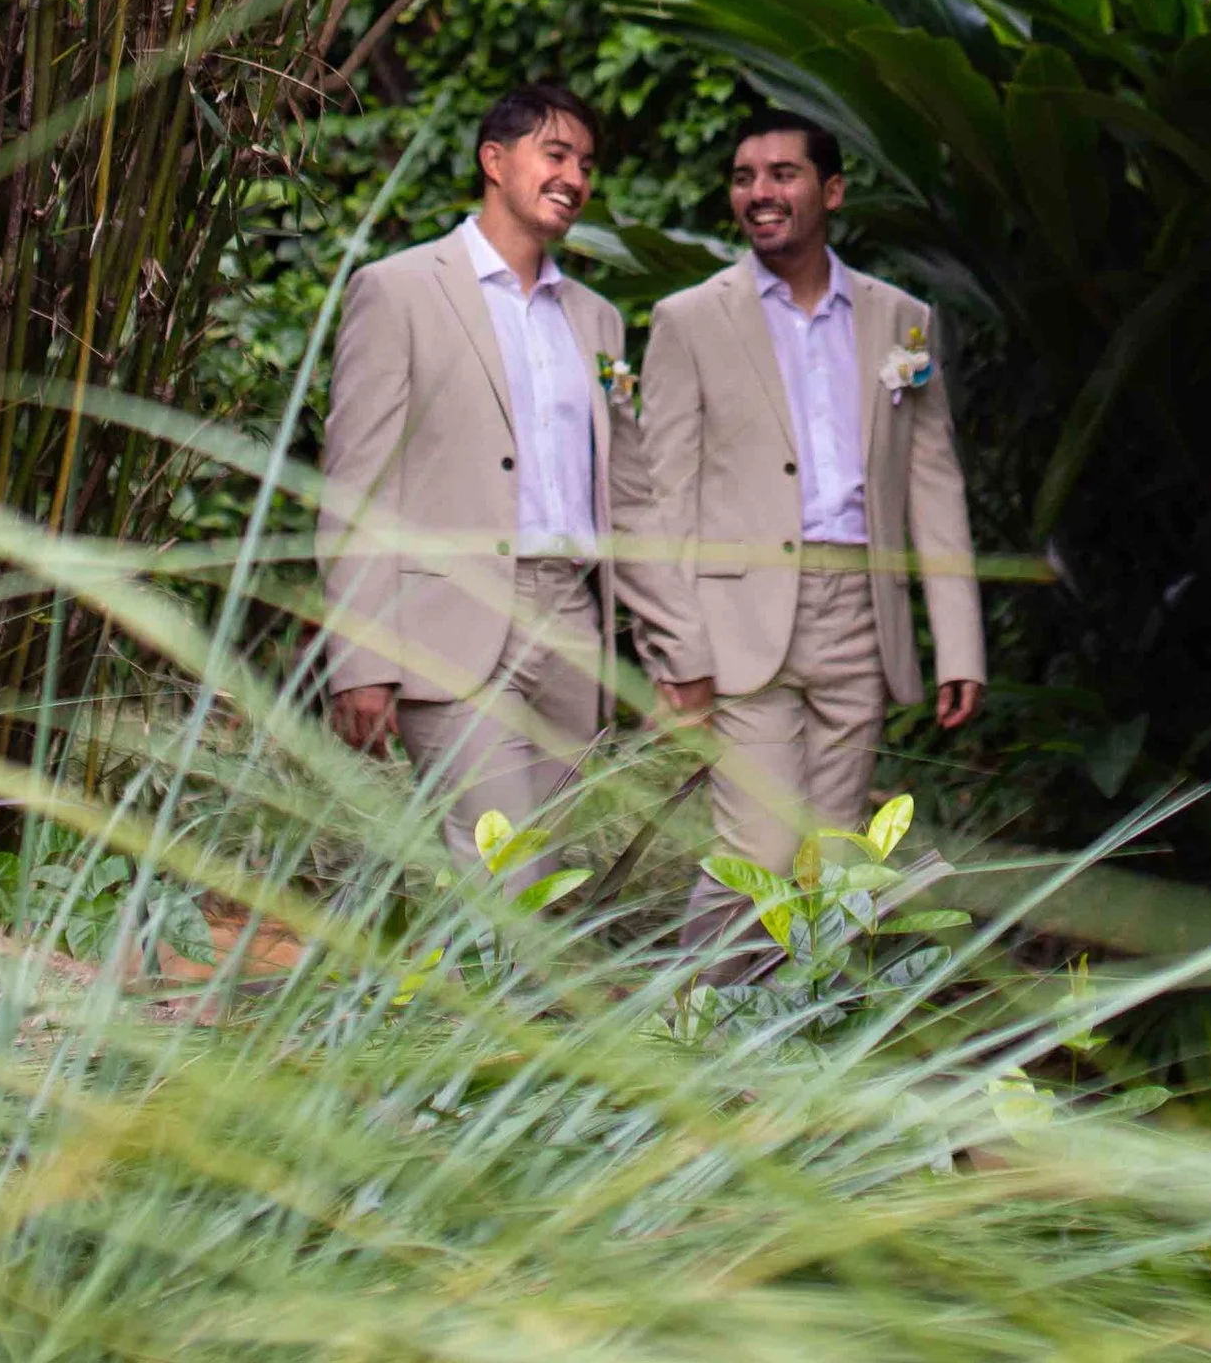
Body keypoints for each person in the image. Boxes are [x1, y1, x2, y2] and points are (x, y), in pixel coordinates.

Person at [622, 111, 984, 879]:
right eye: (744, 177)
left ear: (833, 190)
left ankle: (794, 1002)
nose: (760, 192)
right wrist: (671, 649)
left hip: (861, 613)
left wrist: (959, 643)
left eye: (782, 174)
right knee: (761, 851)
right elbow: (664, 498)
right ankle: (703, 1003)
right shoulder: (688, 320)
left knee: (834, 855)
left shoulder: (902, 322)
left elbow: (933, 484)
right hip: (739, 621)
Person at [318, 80, 635, 861]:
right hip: (448, 624)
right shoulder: (398, 290)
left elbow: (629, 490)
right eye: (555, 154)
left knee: (561, 878)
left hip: (573, 625)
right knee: (499, 868)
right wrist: (359, 657)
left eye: (586, 164)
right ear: (494, 160)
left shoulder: (598, 320)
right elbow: (356, 485)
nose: (574, 178)